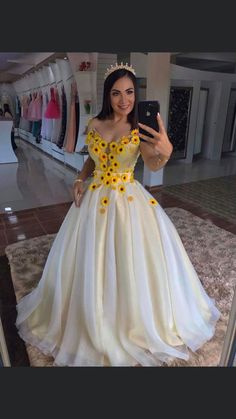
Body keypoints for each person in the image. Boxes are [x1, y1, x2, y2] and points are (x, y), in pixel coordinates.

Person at [15, 63, 220, 367]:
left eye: (129, 93)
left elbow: (152, 165)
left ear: (136, 95)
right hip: (95, 197)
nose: (124, 100)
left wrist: (166, 146)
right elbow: (90, 159)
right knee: (87, 260)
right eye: (116, 93)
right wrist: (78, 180)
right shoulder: (95, 123)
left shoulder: (140, 128)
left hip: (128, 200)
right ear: (107, 96)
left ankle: (129, 320)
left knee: (130, 262)